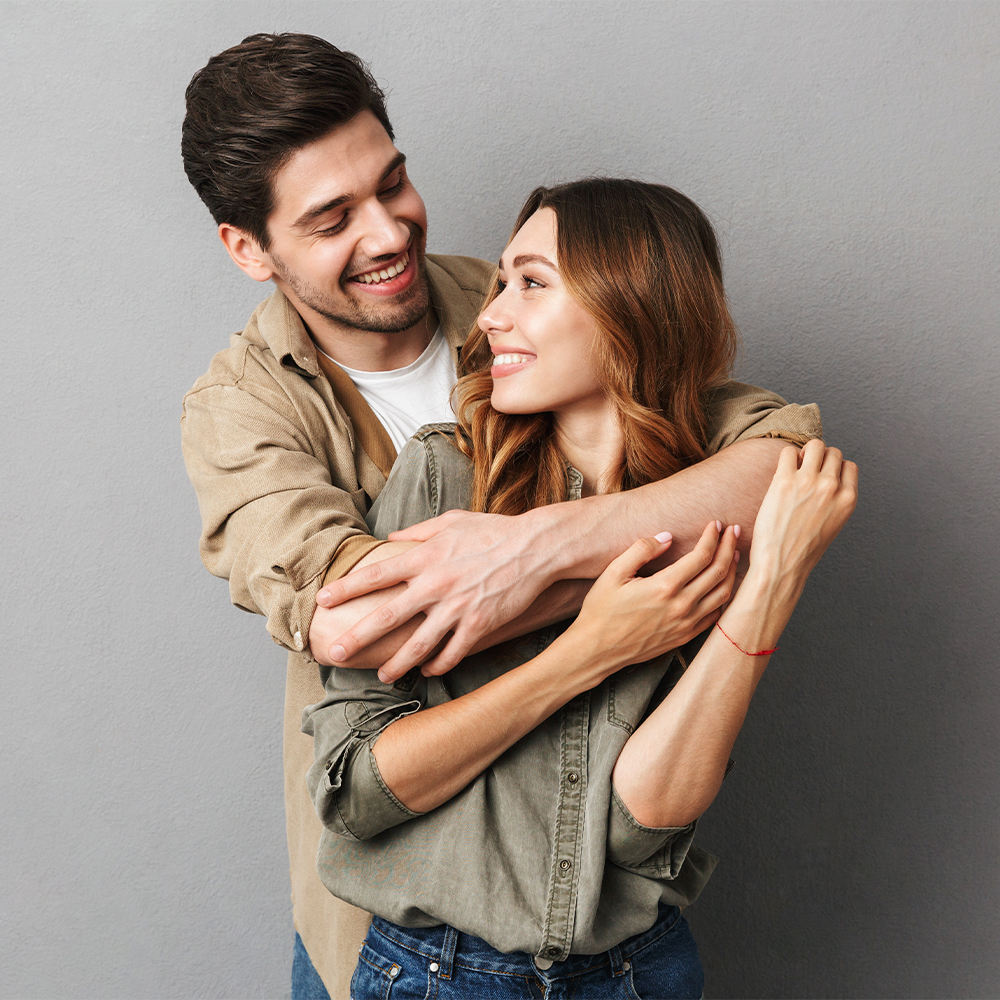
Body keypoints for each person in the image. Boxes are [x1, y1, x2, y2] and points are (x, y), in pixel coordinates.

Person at [179, 33, 824, 998]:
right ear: (248, 248)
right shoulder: (241, 410)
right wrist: (614, 612)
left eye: (392, 183)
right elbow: (358, 624)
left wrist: (532, 547)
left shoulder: (524, 302)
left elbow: (781, 461)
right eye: (332, 219)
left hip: (608, 911)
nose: (390, 232)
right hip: (396, 931)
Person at [303, 178, 857, 999]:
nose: (489, 315)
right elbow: (354, 792)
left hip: (642, 973)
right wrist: (588, 651)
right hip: (440, 978)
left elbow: (644, 826)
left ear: (631, 303)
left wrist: (771, 582)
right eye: (500, 283)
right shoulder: (443, 475)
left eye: (531, 282)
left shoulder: (709, 504)